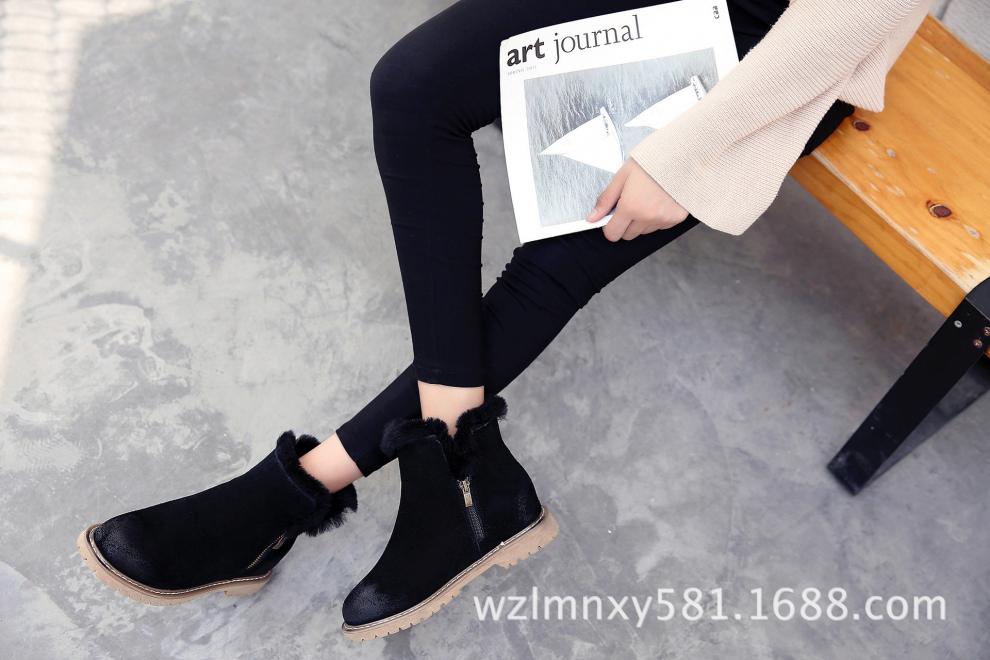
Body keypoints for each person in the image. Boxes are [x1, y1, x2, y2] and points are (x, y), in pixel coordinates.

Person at [77, 0, 932, 641]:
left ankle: (291, 495)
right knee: (412, 88)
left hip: (783, 40)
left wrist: (690, 152)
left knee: (558, 261)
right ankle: (462, 482)